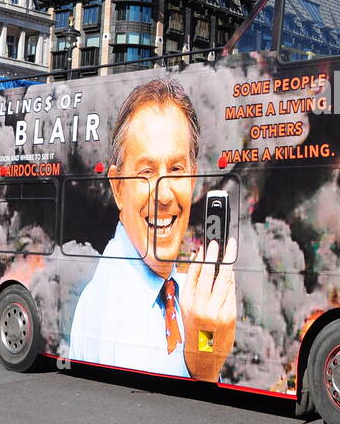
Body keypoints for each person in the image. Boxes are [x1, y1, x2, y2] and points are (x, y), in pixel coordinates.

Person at [67, 79, 237, 381]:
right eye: (146, 172)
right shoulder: (114, 311)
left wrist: (206, 340)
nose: (164, 195)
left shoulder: (182, 293)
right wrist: (207, 356)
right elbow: (165, 417)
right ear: (118, 187)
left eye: (176, 170)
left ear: (194, 178)